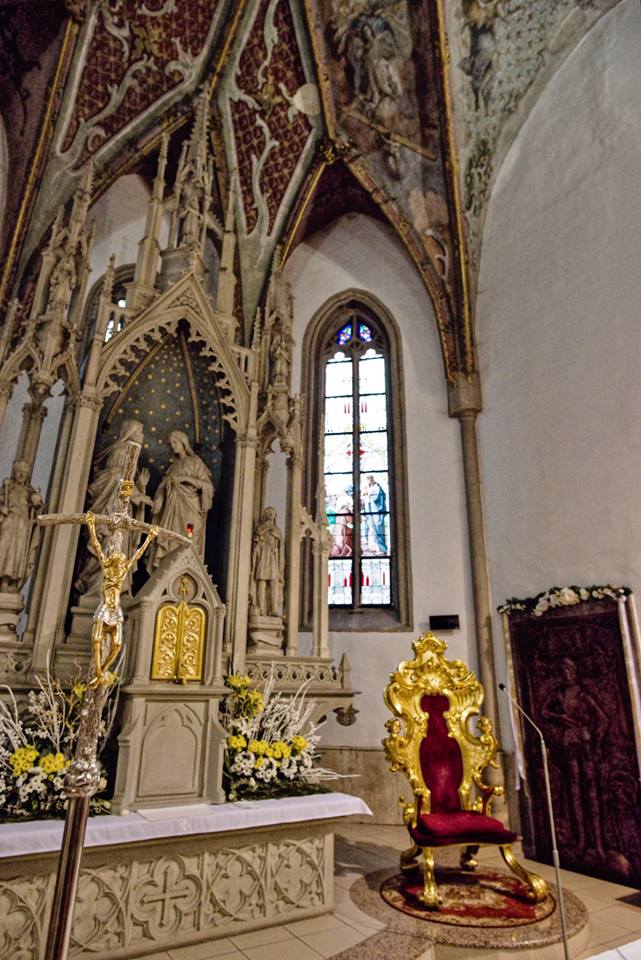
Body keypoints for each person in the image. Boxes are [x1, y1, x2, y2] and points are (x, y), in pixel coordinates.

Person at [75, 419, 151, 594]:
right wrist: (139, 496)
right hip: (111, 510)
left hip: (123, 512)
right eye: (140, 431)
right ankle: (97, 589)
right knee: (108, 546)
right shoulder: (121, 452)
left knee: (119, 550)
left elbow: (126, 482)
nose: (142, 435)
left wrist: (141, 486)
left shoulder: (131, 453)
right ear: (131, 432)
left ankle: (115, 590)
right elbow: (115, 478)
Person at [147, 430, 213, 570]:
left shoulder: (195, 462)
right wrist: (160, 499)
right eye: (171, 443)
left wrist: (184, 479)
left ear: (183, 442)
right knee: (170, 539)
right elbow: (163, 486)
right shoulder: (174, 466)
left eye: (175, 442)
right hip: (172, 509)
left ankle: (186, 571)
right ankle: (167, 571)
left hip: (191, 507)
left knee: (189, 538)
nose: (173, 446)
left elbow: (207, 486)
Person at [0, 459, 43, 591]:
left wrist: (37, 501)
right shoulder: (7, 488)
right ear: (14, 472)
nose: (21, 474)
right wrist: (2, 508)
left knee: (19, 553)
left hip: (23, 525)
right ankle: (3, 580)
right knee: (4, 549)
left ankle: (14, 581)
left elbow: (37, 508)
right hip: (8, 523)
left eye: (24, 472)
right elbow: (1, 502)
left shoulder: (30, 491)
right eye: (19, 471)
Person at [251, 507, 284, 617]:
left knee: (274, 581)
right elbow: (256, 541)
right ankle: (261, 608)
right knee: (261, 581)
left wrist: (278, 547)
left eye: (272, 513)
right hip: (263, 556)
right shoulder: (260, 528)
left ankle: (273, 609)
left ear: (275, 516)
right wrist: (259, 538)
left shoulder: (277, 530)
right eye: (268, 513)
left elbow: (281, 544)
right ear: (265, 515)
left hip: (273, 557)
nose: (270, 515)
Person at [362, 475, 387, 554]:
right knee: (372, 530)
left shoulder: (377, 487)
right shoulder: (369, 488)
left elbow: (377, 498)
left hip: (376, 511)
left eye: (368, 480)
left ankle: (382, 549)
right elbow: (365, 498)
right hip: (370, 512)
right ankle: (375, 548)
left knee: (378, 529)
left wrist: (368, 493)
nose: (367, 482)